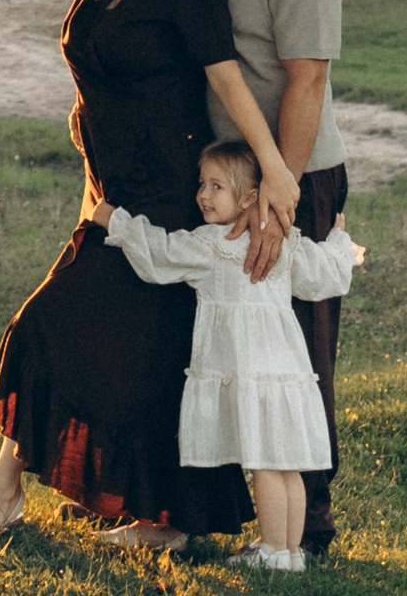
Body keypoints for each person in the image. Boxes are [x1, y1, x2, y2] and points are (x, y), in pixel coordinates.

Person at [0, 0, 301, 553]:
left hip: (169, 196)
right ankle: (160, 519)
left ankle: (4, 497)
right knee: (149, 360)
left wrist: (274, 169)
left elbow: (227, 82)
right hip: (109, 195)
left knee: (53, 328)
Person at [182, 0, 350, 555]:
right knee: (242, 349)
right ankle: (255, 514)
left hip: (295, 176)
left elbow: (305, 79)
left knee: (298, 353)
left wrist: (276, 196)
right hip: (240, 179)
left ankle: (309, 529)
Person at [95, 140, 363, 573]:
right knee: (286, 462)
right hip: (285, 367)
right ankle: (289, 551)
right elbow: (325, 276)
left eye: (216, 186)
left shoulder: (212, 245)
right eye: (202, 184)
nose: (202, 195)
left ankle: (274, 551)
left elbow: (158, 256)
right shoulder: (284, 243)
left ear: (250, 198)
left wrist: (115, 221)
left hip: (246, 369)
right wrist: (338, 238)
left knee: (264, 461)